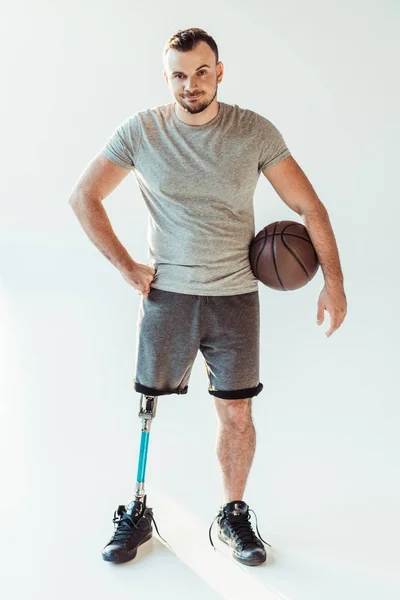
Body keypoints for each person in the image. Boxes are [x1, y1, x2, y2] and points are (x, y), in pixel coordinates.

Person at [69, 27, 347, 568]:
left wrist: (334, 282)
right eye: (179, 74)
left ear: (220, 71)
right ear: (166, 76)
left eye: (201, 72)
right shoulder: (142, 131)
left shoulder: (253, 132)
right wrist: (127, 266)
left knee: (237, 411)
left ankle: (233, 514)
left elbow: (312, 208)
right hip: (167, 293)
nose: (191, 84)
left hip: (234, 296)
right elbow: (84, 196)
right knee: (148, 407)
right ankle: (140, 509)